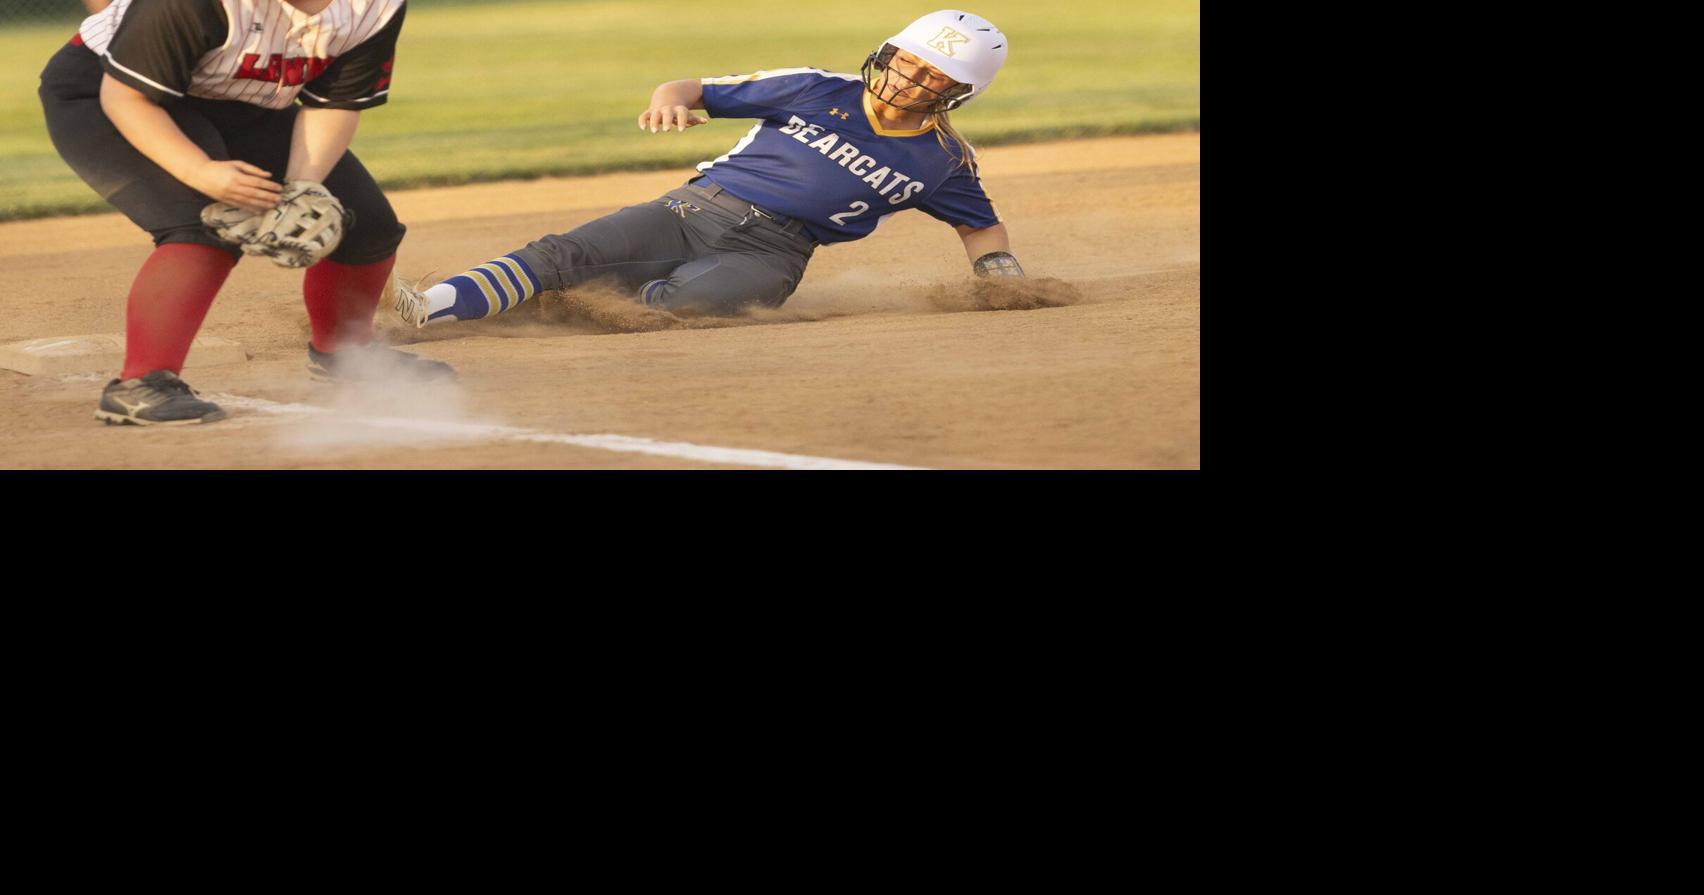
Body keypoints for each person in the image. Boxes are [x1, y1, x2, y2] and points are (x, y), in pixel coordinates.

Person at [392, 9, 1025, 332]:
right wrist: (668, 104)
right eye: (904, 62)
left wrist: (1002, 278)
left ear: (961, 92)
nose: (907, 79)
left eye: (932, 77)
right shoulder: (811, 87)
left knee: (678, 305)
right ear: (885, 54)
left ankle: (545, 309)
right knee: (559, 252)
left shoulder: (943, 160)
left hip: (773, 256)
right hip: (692, 210)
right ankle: (429, 307)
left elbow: (981, 226)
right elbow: (688, 86)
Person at [38, 0, 450, 427]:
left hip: (240, 98)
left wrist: (300, 188)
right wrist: (199, 171)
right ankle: (141, 384)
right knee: (204, 223)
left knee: (364, 224)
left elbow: (334, 103)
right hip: (111, 91)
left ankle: (347, 355)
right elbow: (127, 96)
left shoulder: (373, 7)